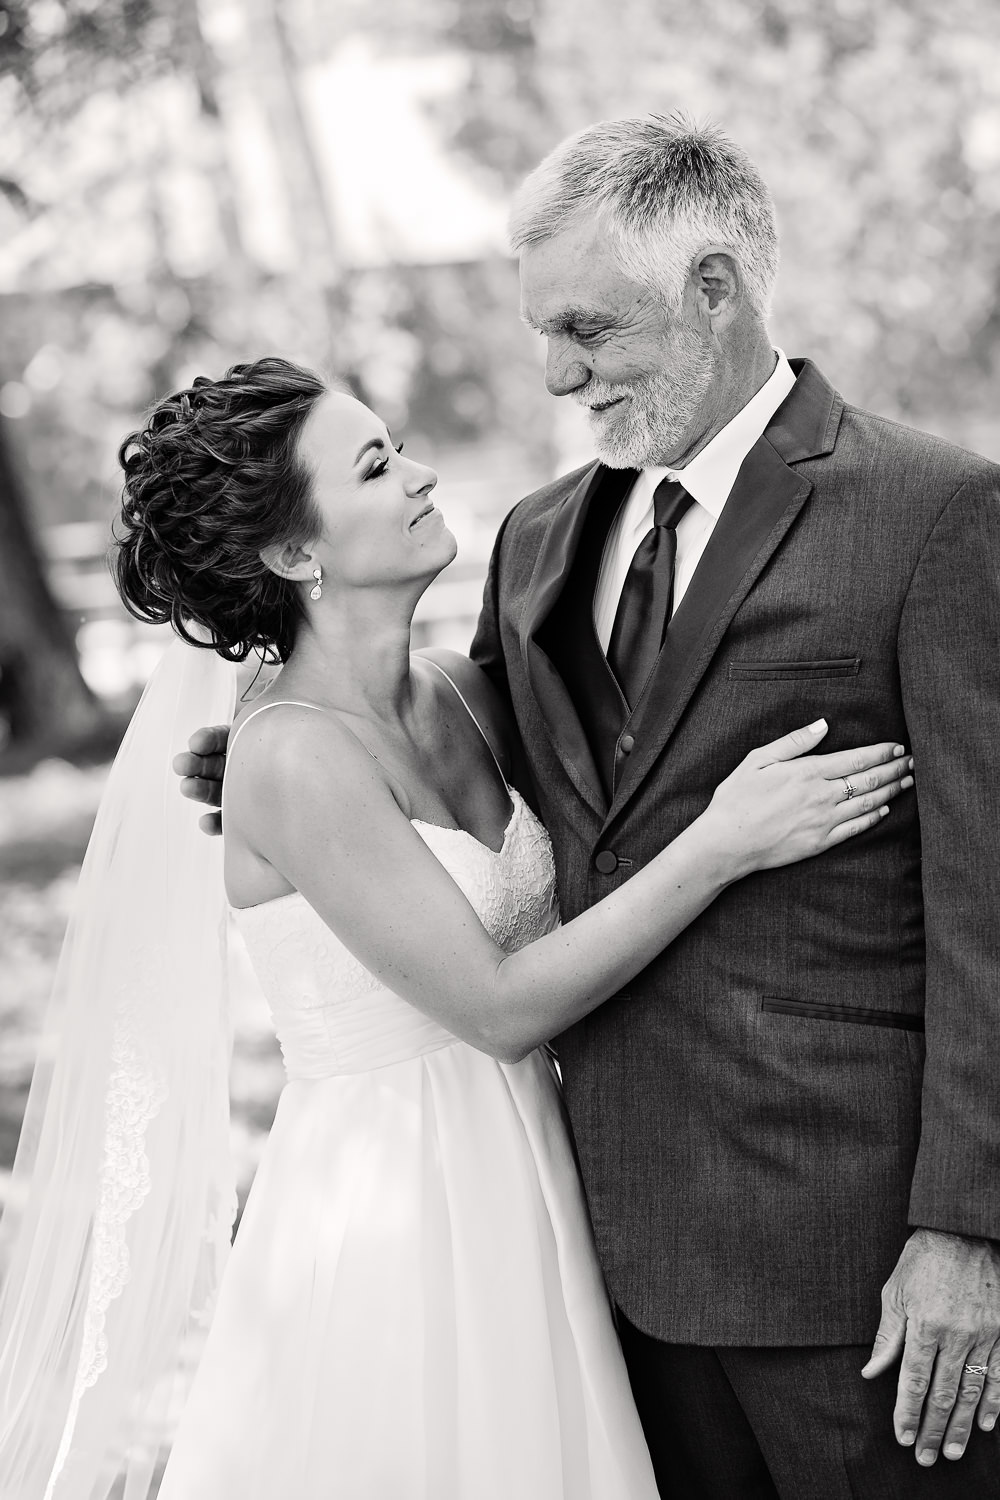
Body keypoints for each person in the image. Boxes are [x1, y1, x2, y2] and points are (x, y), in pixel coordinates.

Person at [183, 116, 1000, 1498]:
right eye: (540, 333)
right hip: (590, 1253)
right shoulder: (543, 535)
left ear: (716, 289)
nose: (557, 375)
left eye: (590, 331)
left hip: (852, 1261)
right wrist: (283, 732)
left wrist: (968, 1230)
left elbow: (990, 899)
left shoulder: (932, 514)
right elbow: (493, 748)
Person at [0, 358, 911, 1499]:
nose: (421, 474)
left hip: (539, 1161)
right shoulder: (289, 757)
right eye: (376, 467)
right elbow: (494, 1005)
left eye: (399, 444)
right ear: (294, 555)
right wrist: (725, 842)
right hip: (407, 1204)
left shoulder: (463, 690)